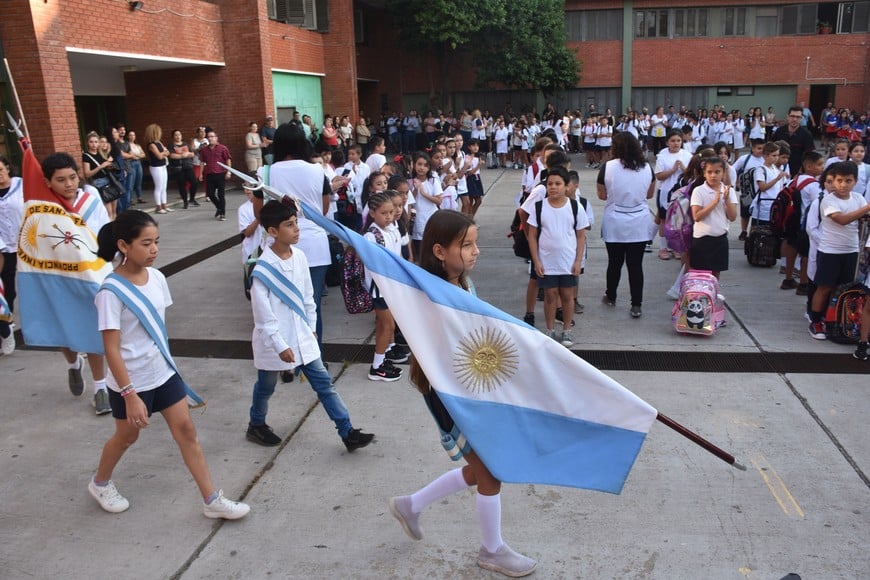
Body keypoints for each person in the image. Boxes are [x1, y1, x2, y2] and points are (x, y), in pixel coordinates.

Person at [388, 210, 536, 578]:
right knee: (491, 473)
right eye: (466, 245)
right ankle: (492, 549)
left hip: (472, 388)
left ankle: (411, 505)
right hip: (450, 395)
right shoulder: (430, 293)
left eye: (475, 243)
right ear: (439, 251)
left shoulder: (462, 284)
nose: (475, 252)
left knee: (480, 469)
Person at [89, 210, 250, 519]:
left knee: (186, 431)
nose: (154, 250)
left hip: (163, 374)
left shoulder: (158, 278)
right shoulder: (110, 293)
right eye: (146, 243)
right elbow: (111, 349)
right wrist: (129, 394)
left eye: (157, 242)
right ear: (123, 245)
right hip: (130, 382)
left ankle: (211, 499)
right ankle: (100, 483)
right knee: (126, 437)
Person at [246, 199, 375, 450]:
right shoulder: (262, 271)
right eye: (289, 225)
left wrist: (312, 327)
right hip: (276, 342)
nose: (296, 229)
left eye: (296, 223)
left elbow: (308, 298)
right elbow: (264, 319)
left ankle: (347, 431)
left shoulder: (301, 256)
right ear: (272, 232)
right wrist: (280, 345)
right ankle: (256, 424)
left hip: (304, 336)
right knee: (266, 385)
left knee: (324, 384)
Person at [25, 153, 111, 413]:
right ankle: (74, 365)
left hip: (90, 275)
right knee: (64, 330)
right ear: (48, 182)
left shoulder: (91, 200)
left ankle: (101, 388)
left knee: (91, 329)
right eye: (61, 180)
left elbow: (104, 234)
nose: (69, 184)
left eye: (72, 177)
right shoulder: (40, 207)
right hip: (57, 278)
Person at [265, 123, 335, 352]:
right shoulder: (318, 170)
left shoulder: (267, 172)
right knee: (311, 305)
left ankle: (289, 359)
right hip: (315, 245)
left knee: (281, 305)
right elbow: (323, 210)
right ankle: (315, 357)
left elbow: (261, 214)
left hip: (279, 247)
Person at [525, 166, 589, 345]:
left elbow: (580, 235)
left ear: (567, 186)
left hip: (567, 262)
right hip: (546, 261)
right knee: (550, 295)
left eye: (558, 184)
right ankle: (550, 329)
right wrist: (536, 260)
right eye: (550, 184)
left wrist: (578, 261)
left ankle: (567, 329)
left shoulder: (575, 207)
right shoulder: (539, 207)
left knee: (567, 295)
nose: (553, 187)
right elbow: (532, 235)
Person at [807, 161, 870, 339]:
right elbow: (842, 220)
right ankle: (815, 321)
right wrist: (866, 208)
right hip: (830, 251)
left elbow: (862, 221)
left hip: (851, 250)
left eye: (848, 181)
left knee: (843, 289)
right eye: (839, 180)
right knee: (825, 287)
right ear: (833, 181)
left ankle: (835, 320)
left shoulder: (858, 198)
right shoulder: (828, 200)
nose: (843, 185)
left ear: (855, 182)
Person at [597, 133, 655, 318]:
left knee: (614, 263)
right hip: (639, 222)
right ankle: (636, 304)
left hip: (614, 221)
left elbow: (602, 195)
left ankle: (611, 296)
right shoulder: (647, 167)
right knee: (635, 265)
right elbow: (650, 194)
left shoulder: (608, 167)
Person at [363, 192, 407, 381]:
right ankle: (377, 367)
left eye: (391, 212)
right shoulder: (371, 236)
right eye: (384, 213)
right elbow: (373, 267)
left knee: (385, 325)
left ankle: (383, 358)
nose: (389, 216)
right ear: (372, 213)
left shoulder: (391, 230)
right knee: (388, 326)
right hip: (379, 288)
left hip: (391, 287)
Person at [689, 157, 739, 279]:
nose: (713, 176)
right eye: (709, 172)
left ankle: (713, 295)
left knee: (715, 275)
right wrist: (715, 202)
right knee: (699, 274)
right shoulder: (699, 191)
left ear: (723, 173)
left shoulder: (729, 191)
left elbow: (732, 217)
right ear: (704, 174)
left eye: (717, 172)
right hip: (702, 239)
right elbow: (697, 216)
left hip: (720, 238)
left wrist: (726, 200)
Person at [654, 130, 692, 260]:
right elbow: (659, 175)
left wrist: (684, 168)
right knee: (664, 220)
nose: (676, 143)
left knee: (679, 221)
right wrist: (673, 170)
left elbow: (692, 174)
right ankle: (663, 247)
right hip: (665, 191)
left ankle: (676, 247)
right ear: (667, 142)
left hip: (682, 193)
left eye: (678, 141)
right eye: (673, 141)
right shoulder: (662, 156)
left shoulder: (687, 155)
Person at [0, 155, 23, 319]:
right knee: (7, 284)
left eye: (0, 169)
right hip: (5, 246)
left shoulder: (22, 185)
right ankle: (7, 317)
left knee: (33, 281)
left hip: (27, 243)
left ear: (7, 168)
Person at [410, 151, 443, 258]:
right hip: (418, 219)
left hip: (431, 217)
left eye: (425, 165)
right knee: (420, 250)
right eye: (419, 164)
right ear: (414, 165)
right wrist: (415, 189)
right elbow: (410, 201)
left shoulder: (433, 181)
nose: (421, 168)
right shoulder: (410, 182)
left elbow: (439, 201)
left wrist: (424, 194)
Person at [198, 129, 232, 221]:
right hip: (209, 174)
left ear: (216, 138)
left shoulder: (223, 148)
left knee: (221, 194)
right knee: (210, 194)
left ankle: (222, 214)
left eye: (212, 136)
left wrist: (229, 171)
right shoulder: (204, 150)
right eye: (208, 137)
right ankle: (219, 207)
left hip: (221, 173)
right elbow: (202, 162)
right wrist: (200, 174)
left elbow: (228, 159)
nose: (210, 138)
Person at [82, 131, 117, 220]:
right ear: (87, 143)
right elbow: (87, 173)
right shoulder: (86, 156)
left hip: (109, 180)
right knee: (108, 212)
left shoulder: (101, 153)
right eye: (91, 142)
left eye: (96, 142)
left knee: (114, 211)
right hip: (99, 182)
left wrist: (109, 165)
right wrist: (101, 166)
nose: (94, 144)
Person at [772, 106, 817, 176]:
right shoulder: (779, 131)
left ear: (801, 118)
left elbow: (809, 155)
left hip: (797, 171)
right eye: (792, 116)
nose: (795, 119)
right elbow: (772, 148)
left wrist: (801, 171)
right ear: (788, 117)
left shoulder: (806, 134)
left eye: (798, 117)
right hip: (777, 169)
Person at [143, 124, 172, 215]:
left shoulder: (159, 142)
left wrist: (164, 153)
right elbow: (159, 156)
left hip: (163, 166)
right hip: (156, 167)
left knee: (164, 186)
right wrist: (164, 153)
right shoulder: (151, 145)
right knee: (159, 187)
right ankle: (158, 206)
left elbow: (167, 152)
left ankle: (164, 205)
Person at [168, 130, 197, 209]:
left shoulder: (186, 144)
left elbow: (192, 154)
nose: (178, 136)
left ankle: (192, 198)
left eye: (179, 134)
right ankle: (185, 201)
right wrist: (183, 155)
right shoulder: (171, 146)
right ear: (173, 137)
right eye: (176, 135)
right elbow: (172, 156)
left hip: (188, 166)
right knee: (182, 185)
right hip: (178, 168)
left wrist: (187, 154)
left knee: (194, 182)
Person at [126, 129, 147, 205]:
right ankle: (130, 199)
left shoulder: (137, 145)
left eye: (133, 135)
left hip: (138, 163)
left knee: (139, 181)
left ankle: (139, 197)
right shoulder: (127, 145)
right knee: (131, 182)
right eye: (130, 135)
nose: (132, 137)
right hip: (131, 163)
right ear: (128, 136)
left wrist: (136, 155)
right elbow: (132, 156)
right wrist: (138, 156)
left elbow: (143, 154)